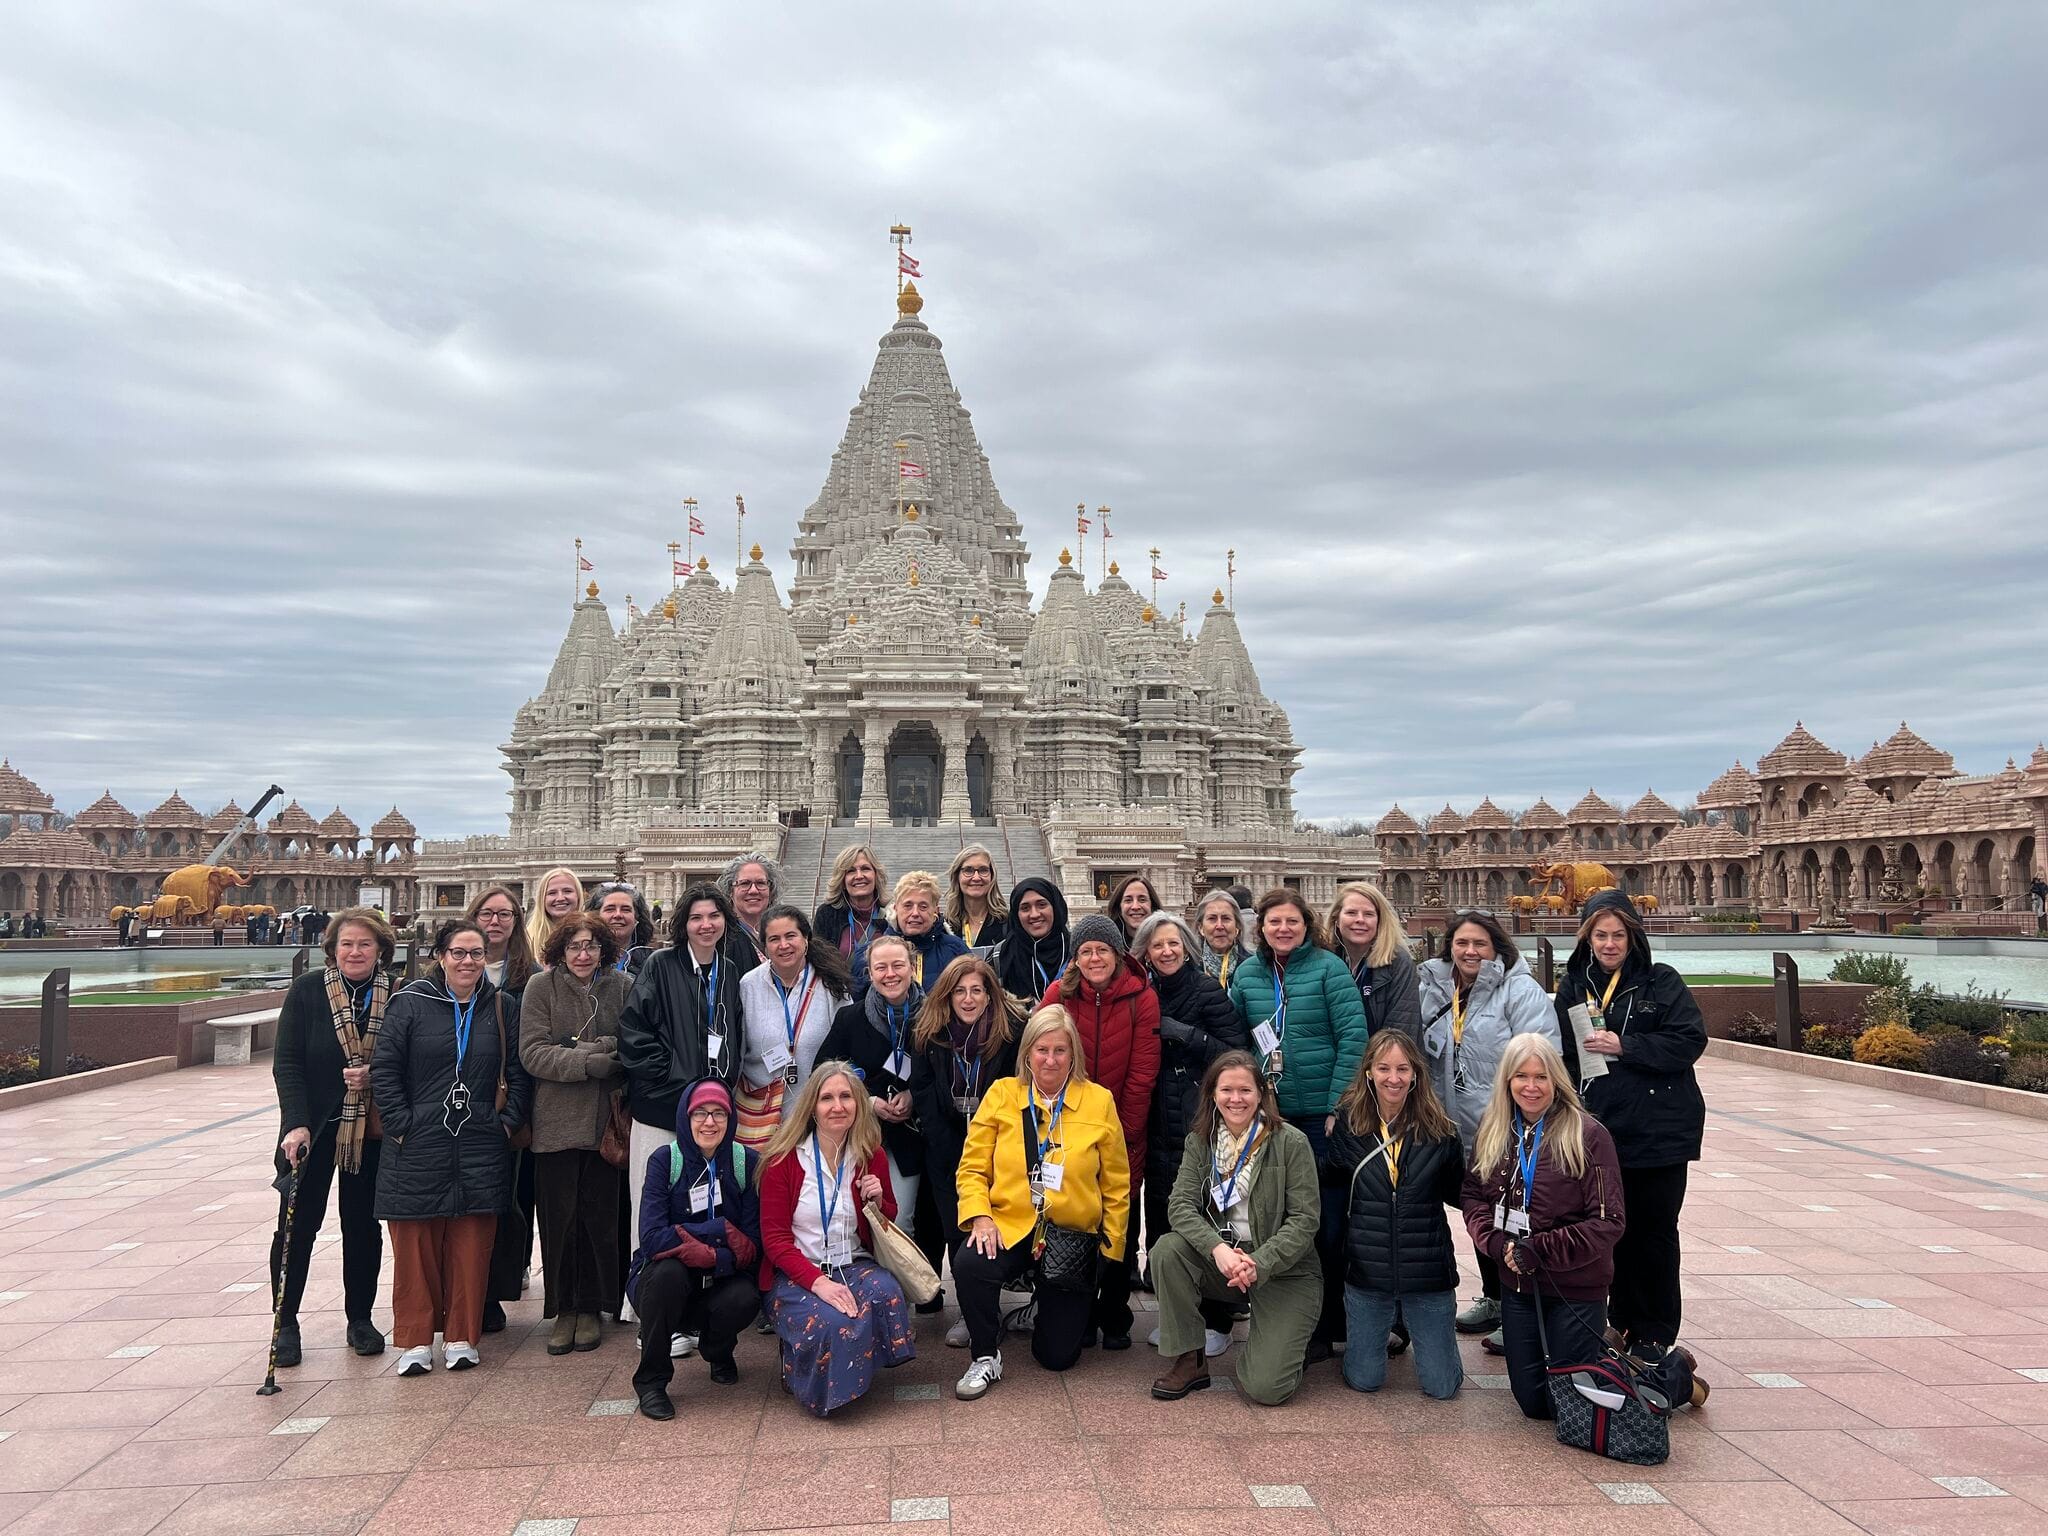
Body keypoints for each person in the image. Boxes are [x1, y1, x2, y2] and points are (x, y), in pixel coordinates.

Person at [371, 919, 531, 1376]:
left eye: (476, 954)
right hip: (418, 1140)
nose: (467, 962)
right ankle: (415, 1340)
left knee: (471, 1245)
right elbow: (385, 1069)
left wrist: (505, 1124)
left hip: (480, 1139)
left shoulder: (500, 1006)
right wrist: (402, 1124)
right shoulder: (410, 1003)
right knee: (415, 1242)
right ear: (439, 957)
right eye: (458, 953)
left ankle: (463, 1335)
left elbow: (518, 1072)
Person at [1555, 890, 1706, 1363]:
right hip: (1602, 1128)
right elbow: (1567, 1054)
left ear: (1633, 937)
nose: (1609, 943)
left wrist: (1627, 1046)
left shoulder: (1660, 982)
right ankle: (1618, 1320)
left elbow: (1688, 1041)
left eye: (1619, 935)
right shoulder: (1574, 987)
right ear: (1587, 938)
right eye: (1600, 935)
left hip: (1659, 1130)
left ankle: (1655, 1331)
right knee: (1609, 1228)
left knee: (1655, 1232)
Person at [952, 1005, 1131, 1397]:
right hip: (1012, 1224)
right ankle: (985, 1354)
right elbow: (971, 1169)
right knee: (969, 1262)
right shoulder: (1002, 1094)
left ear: (1074, 1056)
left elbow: (1117, 1185)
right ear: (1028, 1053)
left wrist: (1109, 1250)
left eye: (1060, 1050)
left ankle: (1035, 1311)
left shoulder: (1098, 1101)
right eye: (1041, 1049)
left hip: (1071, 1236)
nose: (1050, 1059)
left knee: (1056, 1357)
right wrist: (979, 1217)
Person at [1227, 888, 1370, 1361]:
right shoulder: (1248, 974)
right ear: (1261, 928)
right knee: (1271, 1218)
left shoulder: (1328, 969)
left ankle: (1326, 1326)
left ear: (1307, 925)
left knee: (1323, 1222)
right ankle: (1280, 1314)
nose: (1283, 929)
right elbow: (1240, 1041)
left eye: (1292, 922)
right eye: (1274, 923)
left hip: (1318, 1119)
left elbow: (1354, 1037)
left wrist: (1336, 1106)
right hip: (1270, 1116)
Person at [1461, 1033, 1625, 1420]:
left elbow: (1609, 1221)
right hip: (1517, 1285)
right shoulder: (1493, 1126)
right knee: (1534, 1404)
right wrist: (1496, 1243)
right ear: (1507, 1081)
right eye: (1521, 1076)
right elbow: (1472, 1195)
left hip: (1574, 1287)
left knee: (1570, 1403)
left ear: (1557, 1081)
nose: (1531, 1087)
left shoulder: (1587, 1134)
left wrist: (1539, 1249)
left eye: (1541, 1077)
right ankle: (1600, 1353)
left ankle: (1670, 1379)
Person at [1417, 910, 1559, 1348]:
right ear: (1450, 947)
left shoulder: (1519, 989)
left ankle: (1523, 1307)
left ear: (1497, 946)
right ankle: (1495, 1298)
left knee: (1514, 1213)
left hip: (1504, 1125)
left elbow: (1541, 1055)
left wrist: (1525, 1117)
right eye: (1462, 943)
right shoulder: (1435, 987)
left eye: (1480, 943)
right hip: (1450, 1125)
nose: (1470, 951)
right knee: (1479, 1213)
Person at [1150, 1050, 1322, 1404]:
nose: (1235, 1099)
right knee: (1167, 1250)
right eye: (1226, 1090)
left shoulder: (1291, 1142)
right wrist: (1219, 1249)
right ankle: (1190, 1358)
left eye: (1245, 1090)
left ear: (1261, 1093)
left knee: (1267, 1389)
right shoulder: (1201, 1141)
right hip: (1225, 1264)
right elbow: (1180, 1206)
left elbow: (1305, 1221)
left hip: (1282, 1270)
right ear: (1212, 1094)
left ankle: (1281, 1347)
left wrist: (1257, 1262)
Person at [269, 906, 396, 1365]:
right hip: (315, 1127)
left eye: (365, 944)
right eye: (347, 944)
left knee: (362, 1224)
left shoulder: (397, 994)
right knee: (297, 1224)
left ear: (381, 949)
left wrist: (374, 1077)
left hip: (371, 1128)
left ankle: (360, 1318)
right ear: (333, 949)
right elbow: (287, 1062)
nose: (355, 952)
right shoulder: (307, 992)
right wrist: (296, 1121)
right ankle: (285, 1322)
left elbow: (407, 1060)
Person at [757, 1061, 916, 1416]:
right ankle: (807, 1372)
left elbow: (886, 1221)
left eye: (846, 1096)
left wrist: (879, 1201)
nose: (837, 1106)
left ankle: (854, 1367)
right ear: (812, 1107)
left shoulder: (869, 1155)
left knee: (888, 1293)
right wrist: (818, 1284)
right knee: (836, 1323)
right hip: (799, 1273)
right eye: (827, 1098)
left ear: (858, 1103)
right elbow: (775, 1240)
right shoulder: (783, 1160)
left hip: (852, 1263)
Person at [617, 883, 747, 1308]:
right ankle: (650, 1305)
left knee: (706, 1208)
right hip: (663, 1110)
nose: (705, 925)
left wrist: (720, 1087)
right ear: (682, 924)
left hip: (713, 1115)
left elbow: (736, 1036)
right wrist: (683, 1089)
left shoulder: (729, 971)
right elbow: (635, 1036)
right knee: (654, 1207)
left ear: (725, 922)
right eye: (696, 917)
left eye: (713, 916)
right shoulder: (660, 965)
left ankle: (696, 1305)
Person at [1325, 1030, 1465, 1399]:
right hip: (1368, 1272)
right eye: (1384, 1068)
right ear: (1368, 1071)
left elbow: (1460, 1193)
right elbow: (1328, 1185)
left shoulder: (1441, 1131)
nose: (1393, 1078)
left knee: (1442, 1387)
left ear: (1415, 1073)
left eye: (1403, 1069)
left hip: (1427, 1271)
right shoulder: (1347, 1125)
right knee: (1364, 1380)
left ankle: (1429, 1343)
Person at [1132, 911, 1246, 1354]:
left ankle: (1216, 1318)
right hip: (1156, 1115)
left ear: (1186, 947)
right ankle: (1177, 1315)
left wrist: (1188, 1036)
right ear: (1145, 951)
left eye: (1173, 944)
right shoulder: (1141, 992)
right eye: (1157, 945)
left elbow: (1236, 1052)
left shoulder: (1205, 989)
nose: (1166, 952)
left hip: (1198, 1117)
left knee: (1207, 1215)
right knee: (1161, 1217)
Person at [1044, 914, 1159, 1349]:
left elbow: (1143, 1070)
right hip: (1067, 1125)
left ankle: (1115, 1311)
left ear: (1117, 955)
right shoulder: (1060, 994)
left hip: (1121, 1126)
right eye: (1086, 951)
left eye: (1102, 950)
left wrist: (1123, 1130)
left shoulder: (1140, 996)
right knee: (1071, 1212)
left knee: (1119, 1216)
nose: (1095, 958)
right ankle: (1075, 1304)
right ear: (1076, 958)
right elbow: (1044, 1055)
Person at [519, 913, 627, 1356]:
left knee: (600, 1217)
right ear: (560, 951)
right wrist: (586, 1061)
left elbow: (630, 1042)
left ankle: (595, 1306)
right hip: (557, 1123)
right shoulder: (540, 988)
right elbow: (532, 1052)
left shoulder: (622, 987)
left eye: (592, 946)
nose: (584, 955)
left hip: (606, 1124)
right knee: (560, 1220)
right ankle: (564, 1308)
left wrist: (586, 1047)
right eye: (575, 947)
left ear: (604, 950)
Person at [627, 1079, 762, 1418]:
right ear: (685, 1119)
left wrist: (715, 1255)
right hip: (668, 1282)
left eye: (719, 1113)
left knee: (746, 1296)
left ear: (731, 1120)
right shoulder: (665, 1161)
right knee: (666, 1275)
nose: (709, 1122)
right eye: (699, 1113)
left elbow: (754, 1246)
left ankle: (717, 1350)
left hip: (721, 1276)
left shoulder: (746, 1162)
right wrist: (720, 1231)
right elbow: (653, 1239)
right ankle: (652, 1382)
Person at [908, 953, 1020, 1347]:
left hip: (1000, 1147)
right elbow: (922, 1089)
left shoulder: (1010, 1034)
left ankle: (992, 1303)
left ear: (990, 995)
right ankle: (972, 1313)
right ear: (948, 996)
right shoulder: (928, 1033)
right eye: (960, 992)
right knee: (958, 1228)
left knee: (997, 1223)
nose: (969, 999)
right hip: (947, 1143)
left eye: (977, 990)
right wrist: (946, 1141)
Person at [819, 935, 928, 1262]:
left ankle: (907, 1297)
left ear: (913, 968)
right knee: (878, 1220)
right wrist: (866, 1102)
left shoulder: (934, 1015)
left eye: (898, 965)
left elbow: (944, 1074)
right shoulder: (850, 1018)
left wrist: (913, 1096)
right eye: (881, 967)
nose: (890, 974)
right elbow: (822, 1071)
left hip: (917, 1135)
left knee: (909, 1220)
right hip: (867, 1137)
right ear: (869, 972)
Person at [737, 904, 852, 1146]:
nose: (784, 945)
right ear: (764, 946)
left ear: (806, 939)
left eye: (791, 936)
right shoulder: (748, 985)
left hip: (817, 1115)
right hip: (761, 1115)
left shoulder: (831, 985)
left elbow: (848, 1050)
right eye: (774, 939)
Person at [1328, 882, 1422, 1039]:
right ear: (1336, 919)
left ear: (1380, 921)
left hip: (1382, 1059)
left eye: (1369, 914)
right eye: (1351, 913)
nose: (1360, 920)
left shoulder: (1398, 963)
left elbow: (1402, 1029)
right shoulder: (1323, 960)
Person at [853, 870, 966, 997]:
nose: (915, 913)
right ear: (895, 908)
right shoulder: (867, 954)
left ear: (936, 910)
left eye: (923, 906)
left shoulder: (956, 950)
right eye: (908, 905)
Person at [986, 876, 1069, 1010]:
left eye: (1042, 905)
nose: (1034, 914)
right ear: (1016, 915)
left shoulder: (1078, 952)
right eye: (1025, 908)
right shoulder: (1000, 956)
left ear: (1055, 906)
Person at [812, 843, 891, 959]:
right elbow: (820, 961)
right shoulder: (827, 914)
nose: (859, 876)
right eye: (851, 871)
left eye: (865, 869)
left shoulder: (892, 914)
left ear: (876, 876)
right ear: (842, 880)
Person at [467, 886, 537, 1002]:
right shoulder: (452, 970)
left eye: (504, 914)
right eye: (486, 914)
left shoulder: (532, 974)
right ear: (474, 919)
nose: (494, 921)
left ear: (515, 921)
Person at [718, 851, 781, 968]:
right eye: (744, 883)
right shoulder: (721, 937)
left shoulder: (782, 931)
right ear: (730, 891)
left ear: (771, 890)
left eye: (761, 883)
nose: (753, 890)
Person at [944, 843, 1009, 949]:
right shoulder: (945, 926)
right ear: (957, 877)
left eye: (983, 870)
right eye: (968, 870)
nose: (976, 877)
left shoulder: (1008, 923)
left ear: (992, 876)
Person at [589, 881, 657, 977]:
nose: (618, 915)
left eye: (626, 909)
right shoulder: (583, 958)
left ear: (637, 918)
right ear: (595, 916)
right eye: (610, 909)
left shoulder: (654, 963)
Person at [1194, 889, 1253, 988]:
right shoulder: (1189, 967)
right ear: (1201, 928)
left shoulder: (1253, 966)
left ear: (1237, 926)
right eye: (1212, 919)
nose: (1219, 926)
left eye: (1226, 918)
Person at [524, 867, 584, 962]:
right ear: (542, 899)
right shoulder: (526, 940)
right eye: (552, 893)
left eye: (567, 891)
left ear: (578, 896)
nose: (560, 898)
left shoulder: (593, 933)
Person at [1106, 873, 1161, 946]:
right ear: (1119, 907)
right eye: (1128, 900)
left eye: (1142, 900)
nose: (1135, 907)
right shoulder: (1107, 946)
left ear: (1152, 905)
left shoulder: (1167, 946)